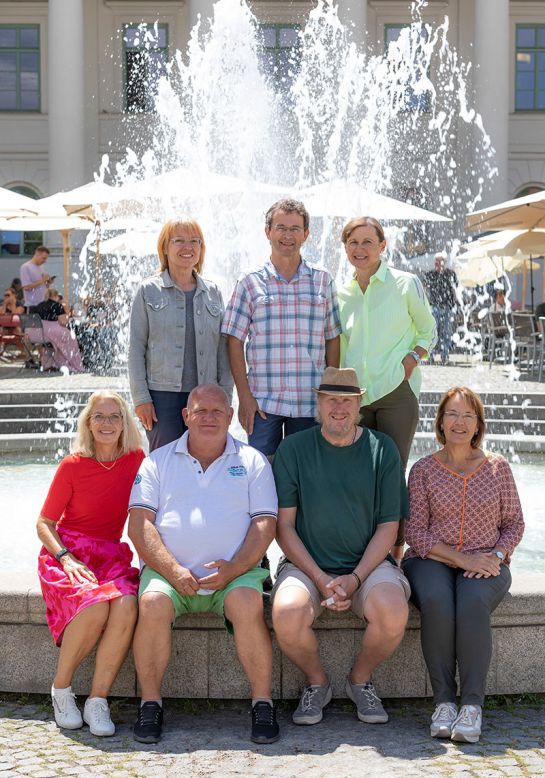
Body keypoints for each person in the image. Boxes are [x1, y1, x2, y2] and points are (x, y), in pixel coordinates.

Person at [128, 384, 279, 745]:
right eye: (200, 411)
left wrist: (236, 567)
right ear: (185, 416)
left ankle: (262, 702)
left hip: (234, 574)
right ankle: (150, 703)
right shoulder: (157, 461)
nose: (208, 418)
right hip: (170, 573)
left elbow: (265, 524)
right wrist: (172, 570)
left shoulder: (252, 461)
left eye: (216, 411)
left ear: (230, 416)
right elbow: (139, 524)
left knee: (247, 603)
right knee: (151, 603)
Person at [271, 367, 410, 727]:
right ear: (318, 403)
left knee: (394, 613)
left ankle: (359, 681)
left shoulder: (382, 450)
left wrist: (356, 578)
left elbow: (388, 527)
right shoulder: (293, 449)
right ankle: (318, 683)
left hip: (369, 565)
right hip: (306, 565)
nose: (339, 408)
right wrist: (318, 578)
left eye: (347, 401)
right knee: (285, 614)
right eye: (331, 399)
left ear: (359, 404)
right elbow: (283, 527)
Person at [403, 387, 524, 743]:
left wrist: (497, 557)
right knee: (438, 601)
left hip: (488, 561)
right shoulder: (423, 470)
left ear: (477, 425)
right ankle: (444, 702)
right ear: (440, 421)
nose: (459, 422)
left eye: (467, 416)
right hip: (432, 560)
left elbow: (514, 524)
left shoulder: (497, 467)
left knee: (471, 602)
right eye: (452, 414)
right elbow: (415, 533)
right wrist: (462, 559)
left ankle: (471, 706)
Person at [37, 391, 145, 736]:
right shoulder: (73, 464)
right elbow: (44, 523)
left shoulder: (137, 460)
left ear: (125, 423)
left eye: (115, 416)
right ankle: (62, 689)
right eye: (99, 417)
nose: (107, 423)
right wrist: (64, 557)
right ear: (88, 423)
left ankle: (98, 700)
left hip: (111, 553)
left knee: (127, 604)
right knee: (96, 606)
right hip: (70, 552)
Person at [337, 216, 435, 557]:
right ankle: (362, 549)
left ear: (382, 246)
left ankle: (394, 553)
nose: (360, 249)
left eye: (367, 242)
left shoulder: (405, 284)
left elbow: (428, 331)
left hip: (396, 394)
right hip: (357, 399)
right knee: (359, 475)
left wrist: (409, 362)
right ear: (345, 247)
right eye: (353, 242)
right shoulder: (341, 293)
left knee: (393, 475)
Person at [222, 198, 341, 457]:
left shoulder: (322, 280)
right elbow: (233, 340)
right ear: (268, 232)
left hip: (309, 403)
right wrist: (244, 396)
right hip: (264, 403)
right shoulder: (249, 282)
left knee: (305, 479)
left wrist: (330, 393)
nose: (288, 235)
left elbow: (332, 338)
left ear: (306, 234)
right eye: (281, 227)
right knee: (261, 476)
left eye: (295, 228)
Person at [129, 218, 232, 452]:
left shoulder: (213, 292)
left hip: (206, 396)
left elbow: (222, 350)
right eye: (179, 241)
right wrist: (141, 399)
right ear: (165, 247)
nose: (188, 247)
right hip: (161, 397)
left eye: (195, 241)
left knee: (205, 458)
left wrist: (225, 397)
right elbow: (135, 347)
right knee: (165, 460)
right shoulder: (148, 291)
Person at [27, 286, 84, 373]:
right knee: (70, 338)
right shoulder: (57, 305)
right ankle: (69, 364)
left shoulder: (39, 305)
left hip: (35, 334)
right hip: (49, 332)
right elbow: (63, 322)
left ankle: (49, 364)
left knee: (53, 342)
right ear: (56, 296)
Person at [423, 252, 458, 365]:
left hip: (447, 307)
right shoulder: (430, 274)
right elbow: (424, 287)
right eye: (436, 262)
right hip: (434, 307)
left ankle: (445, 356)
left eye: (440, 261)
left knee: (446, 333)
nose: (438, 264)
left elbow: (456, 289)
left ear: (444, 262)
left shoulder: (450, 274)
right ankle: (431, 356)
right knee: (433, 333)